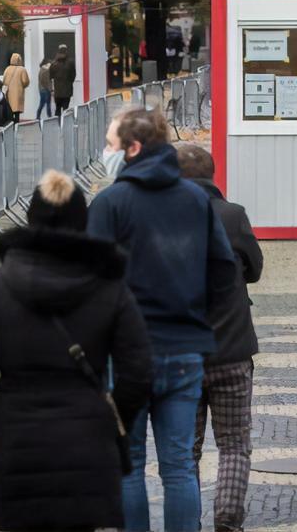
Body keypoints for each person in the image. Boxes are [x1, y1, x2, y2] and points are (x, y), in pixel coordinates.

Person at [86, 108, 236, 532]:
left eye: (111, 144)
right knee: (179, 466)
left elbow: (92, 282)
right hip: (185, 347)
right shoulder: (194, 198)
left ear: (132, 149)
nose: (107, 152)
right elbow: (224, 271)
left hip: (126, 353)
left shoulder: (110, 202)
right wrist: (196, 313)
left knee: (129, 464)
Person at [0, 170, 151, 532]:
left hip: (15, 437)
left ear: (30, 220)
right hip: (87, 438)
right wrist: (112, 416)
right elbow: (138, 370)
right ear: (82, 221)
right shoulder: (109, 287)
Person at [177, 144, 264, 532]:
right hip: (231, 348)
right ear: (213, 176)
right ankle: (228, 518)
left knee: (185, 450)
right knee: (233, 444)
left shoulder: (164, 219)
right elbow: (255, 269)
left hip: (182, 354)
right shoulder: (233, 215)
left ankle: (186, 519)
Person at [1, 53, 30, 124]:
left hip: (9, 93)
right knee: (17, 111)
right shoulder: (22, 69)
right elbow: (25, 81)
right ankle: (16, 125)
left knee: (10, 109)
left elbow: (4, 81)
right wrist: (22, 86)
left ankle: (10, 124)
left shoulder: (7, 69)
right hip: (18, 93)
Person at [50, 45, 77, 115]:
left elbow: (51, 76)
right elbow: (73, 75)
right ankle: (65, 124)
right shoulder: (70, 62)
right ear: (66, 51)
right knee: (66, 109)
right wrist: (69, 83)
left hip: (57, 91)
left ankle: (57, 124)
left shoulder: (54, 63)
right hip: (67, 91)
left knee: (57, 109)